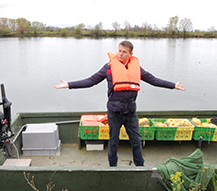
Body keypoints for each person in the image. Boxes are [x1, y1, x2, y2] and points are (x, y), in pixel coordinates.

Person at [54, 40, 186, 167]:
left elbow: (153, 80)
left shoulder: (136, 68)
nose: (120, 54)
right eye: (119, 51)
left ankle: (140, 166)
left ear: (130, 54)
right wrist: (69, 85)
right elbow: (90, 81)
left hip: (130, 111)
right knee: (113, 141)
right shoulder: (108, 67)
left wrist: (173, 85)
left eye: (124, 52)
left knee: (136, 141)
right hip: (114, 112)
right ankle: (113, 166)